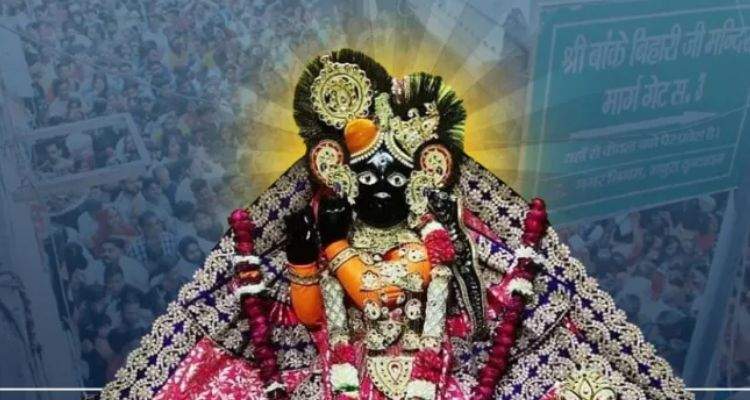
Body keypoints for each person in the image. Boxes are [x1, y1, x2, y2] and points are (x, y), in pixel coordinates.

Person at [101, 50, 693, 400]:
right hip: (339, 375)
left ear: (423, 173)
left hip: (432, 378)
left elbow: (407, 297)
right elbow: (307, 315)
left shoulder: (435, 234)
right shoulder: (332, 225)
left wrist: (347, 250)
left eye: (395, 170)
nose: (380, 183)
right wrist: (307, 261)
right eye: (367, 170)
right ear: (337, 171)